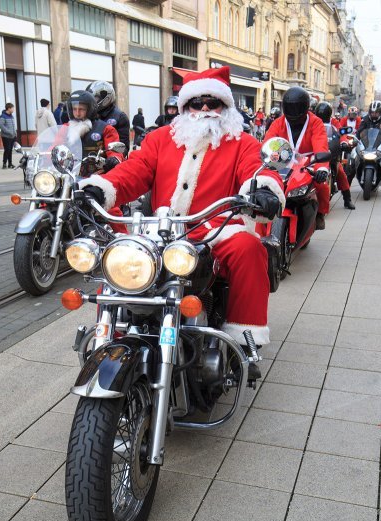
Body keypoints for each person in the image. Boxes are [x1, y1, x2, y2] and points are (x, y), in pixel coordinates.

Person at [79, 66, 284, 377]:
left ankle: (245, 342)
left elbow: (257, 171)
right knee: (119, 256)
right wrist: (102, 186)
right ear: (184, 106)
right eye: (195, 103)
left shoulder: (241, 142)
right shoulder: (161, 139)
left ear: (225, 107)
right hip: (163, 231)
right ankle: (109, 334)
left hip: (216, 230)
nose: (203, 109)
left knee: (248, 247)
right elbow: (135, 169)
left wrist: (263, 191)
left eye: (212, 103)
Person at [265, 86, 332, 229]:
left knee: (322, 186)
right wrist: (266, 157)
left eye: (297, 109)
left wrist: (321, 169)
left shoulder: (316, 122)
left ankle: (320, 213)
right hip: (282, 162)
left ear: (306, 107)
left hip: (308, 162)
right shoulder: (278, 122)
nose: (293, 113)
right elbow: (268, 142)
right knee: (264, 186)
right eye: (290, 109)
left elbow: (321, 145)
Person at [58, 90, 124, 176]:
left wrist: (114, 158)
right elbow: (55, 147)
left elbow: (115, 151)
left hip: (97, 175)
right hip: (69, 174)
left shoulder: (106, 129)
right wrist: (45, 159)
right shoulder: (65, 128)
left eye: (81, 109)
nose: (77, 113)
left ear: (90, 109)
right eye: (74, 109)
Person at [315, 101, 355, 209]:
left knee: (341, 173)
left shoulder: (334, 122)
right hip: (317, 153)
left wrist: (344, 142)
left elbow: (341, 133)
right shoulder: (313, 122)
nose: (322, 118)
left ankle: (347, 199)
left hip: (331, 151)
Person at [85, 81, 130, 156]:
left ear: (106, 98)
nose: (91, 102)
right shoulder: (89, 115)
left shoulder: (120, 117)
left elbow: (124, 146)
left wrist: (114, 159)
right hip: (89, 159)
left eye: (95, 98)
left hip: (108, 162)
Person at [0, 103, 17, 169]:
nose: (13, 109)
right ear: (8, 108)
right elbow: (1, 126)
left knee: (10, 150)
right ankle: (4, 163)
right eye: (12, 108)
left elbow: (13, 126)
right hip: (6, 136)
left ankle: (10, 163)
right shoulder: (3, 116)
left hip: (12, 136)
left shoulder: (12, 116)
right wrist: (9, 132)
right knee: (7, 149)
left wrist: (15, 133)